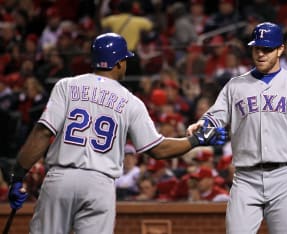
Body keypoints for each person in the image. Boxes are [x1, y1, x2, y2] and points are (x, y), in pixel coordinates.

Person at [7, 33, 227, 234]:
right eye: (125, 61)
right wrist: (195, 140)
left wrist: (18, 175)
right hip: (99, 184)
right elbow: (158, 149)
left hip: (60, 178)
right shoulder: (130, 101)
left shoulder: (67, 86)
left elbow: (43, 132)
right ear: (119, 63)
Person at [187, 22, 287, 233]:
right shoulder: (235, 86)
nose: (260, 54)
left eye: (267, 49)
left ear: (281, 49)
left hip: (285, 177)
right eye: (256, 48)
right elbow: (215, 118)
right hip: (245, 178)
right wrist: (203, 124)